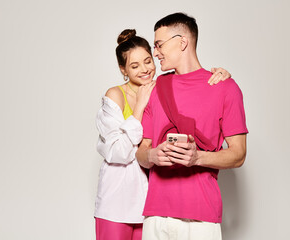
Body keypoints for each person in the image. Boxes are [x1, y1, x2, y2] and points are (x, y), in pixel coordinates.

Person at [95, 29, 231, 240]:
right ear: (123, 70)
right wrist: (139, 108)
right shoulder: (116, 95)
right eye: (134, 66)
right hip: (117, 199)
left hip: (147, 202)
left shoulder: (160, 89)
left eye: (148, 61)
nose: (145, 69)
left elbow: (192, 84)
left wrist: (221, 75)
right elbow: (118, 152)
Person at [136, 13, 248, 240]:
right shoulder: (155, 89)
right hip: (155, 216)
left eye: (159, 44)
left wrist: (197, 158)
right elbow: (141, 152)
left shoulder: (225, 87)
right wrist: (152, 155)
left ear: (182, 42)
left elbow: (239, 154)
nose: (155, 52)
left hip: (201, 219)